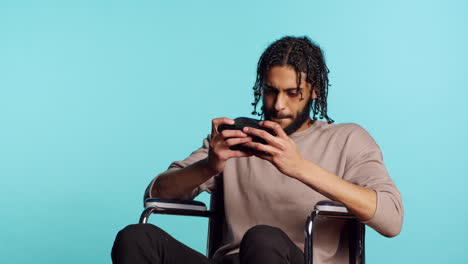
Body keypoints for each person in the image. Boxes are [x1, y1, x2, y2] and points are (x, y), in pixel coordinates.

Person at [111, 36, 404, 264]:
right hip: (232, 261)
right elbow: (156, 195)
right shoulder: (239, 137)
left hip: (290, 258)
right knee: (135, 238)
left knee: (262, 239)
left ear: (314, 92)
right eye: (270, 91)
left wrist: (299, 167)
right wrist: (210, 165)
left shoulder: (348, 139)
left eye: (292, 93)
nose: (278, 105)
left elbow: (391, 219)